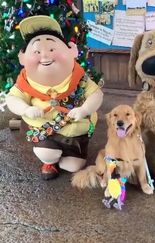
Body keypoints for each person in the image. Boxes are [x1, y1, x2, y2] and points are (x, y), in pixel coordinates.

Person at [6, 15, 103, 180]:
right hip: (46, 131)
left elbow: (96, 94)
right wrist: (26, 109)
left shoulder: (79, 77)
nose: (44, 56)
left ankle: (73, 153)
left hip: (75, 132)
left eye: (51, 49)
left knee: (72, 166)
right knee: (47, 153)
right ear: (23, 57)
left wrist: (85, 109)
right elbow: (12, 98)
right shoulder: (25, 81)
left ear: (71, 51)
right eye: (37, 51)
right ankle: (49, 161)